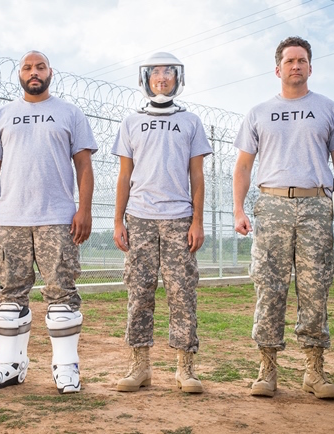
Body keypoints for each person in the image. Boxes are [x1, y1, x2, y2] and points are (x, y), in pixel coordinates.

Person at [233, 36, 334, 399]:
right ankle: (267, 369)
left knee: (315, 288)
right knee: (269, 288)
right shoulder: (258, 112)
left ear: (310, 67)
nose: (296, 66)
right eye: (289, 61)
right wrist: (239, 209)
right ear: (278, 69)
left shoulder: (328, 109)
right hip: (271, 204)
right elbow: (243, 166)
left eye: (302, 60)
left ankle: (314, 371)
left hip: (316, 205)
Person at [0, 50, 97, 394]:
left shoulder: (69, 113)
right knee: (10, 300)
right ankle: (10, 366)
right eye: (28, 67)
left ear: (50, 73)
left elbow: (84, 166)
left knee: (61, 299)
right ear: (20, 73)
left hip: (56, 218)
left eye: (40, 66)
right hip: (9, 219)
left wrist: (83, 209)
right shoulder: (2, 114)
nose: (34, 72)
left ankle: (66, 368)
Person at [112, 52, 212, 394]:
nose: (162, 77)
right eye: (155, 72)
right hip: (139, 218)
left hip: (178, 219)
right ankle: (140, 366)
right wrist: (117, 221)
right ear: (146, 79)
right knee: (139, 293)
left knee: (182, 294)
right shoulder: (131, 122)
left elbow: (197, 176)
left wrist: (197, 221)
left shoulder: (191, 121)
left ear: (177, 78)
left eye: (168, 71)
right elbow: (124, 176)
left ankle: (186, 369)